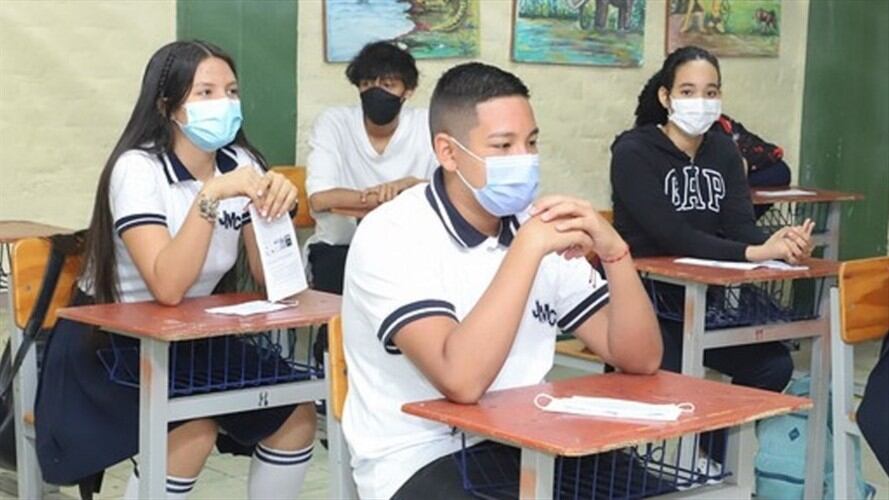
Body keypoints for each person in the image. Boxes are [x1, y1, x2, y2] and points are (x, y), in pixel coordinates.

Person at [341, 62, 662, 500]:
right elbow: (461, 381)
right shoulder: (391, 233)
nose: (524, 160)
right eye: (502, 145)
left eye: (530, 143)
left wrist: (615, 252)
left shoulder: (534, 224)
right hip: (423, 454)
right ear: (449, 152)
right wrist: (526, 250)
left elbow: (639, 357)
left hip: (532, 437)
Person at [35, 41, 315, 500]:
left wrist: (275, 208)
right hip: (112, 344)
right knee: (190, 431)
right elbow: (167, 285)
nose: (223, 102)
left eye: (231, 90)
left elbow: (273, 278)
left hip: (192, 336)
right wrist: (212, 197)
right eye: (205, 92)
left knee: (295, 415)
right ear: (168, 105)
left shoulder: (242, 162)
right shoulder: (137, 168)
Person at [610, 45, 814, 471]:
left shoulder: (723, 151)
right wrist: (756, 252)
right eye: (687, 91)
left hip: (709, 310)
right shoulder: (633, 152)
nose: (700, 102)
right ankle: (638, 466)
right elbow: (673, 235)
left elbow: (740, 225)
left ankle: (714, 461)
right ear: (666, 97)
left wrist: (781, 242)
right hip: (646, 309)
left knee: (773, 365)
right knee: (671, 382)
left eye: (710, 91)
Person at [305, 41, 437, 296]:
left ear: (408, 90)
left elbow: (451, 193)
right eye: (367, 84)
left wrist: (408, 184)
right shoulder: (334, 123)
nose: (376, 92)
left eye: (388, 85)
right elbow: (320, 198)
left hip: (412, 250)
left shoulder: (428, 125)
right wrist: (385, 198)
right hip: (341, 249)